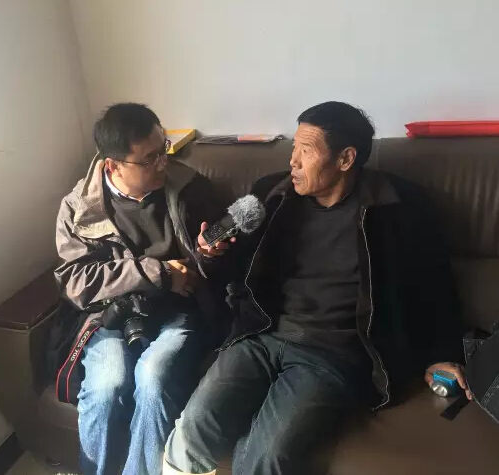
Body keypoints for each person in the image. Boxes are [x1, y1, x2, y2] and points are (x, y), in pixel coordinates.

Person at [163, 101, 470, 475]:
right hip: (261, 335)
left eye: (305, 152)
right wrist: (211, 254)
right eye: (293, 148)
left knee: (269, 454)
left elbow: (436, 286)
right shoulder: (270, 195)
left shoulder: (400, 209)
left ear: (345, 159)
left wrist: (443, 353)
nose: (292, 161)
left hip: (331, 354)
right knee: (194, 428)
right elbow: (232, 269)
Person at [54, 103, 229, 475]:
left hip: (178, 310)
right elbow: (76, 281)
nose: (162, 164)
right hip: (110, 315)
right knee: (107, 386)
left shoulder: (190, 189)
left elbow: (215, 271)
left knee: (153, 378)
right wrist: (157, 272)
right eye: (148, 160)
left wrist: (208, 255)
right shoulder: (79, 208)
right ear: (113, 166)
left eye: (163, 149)